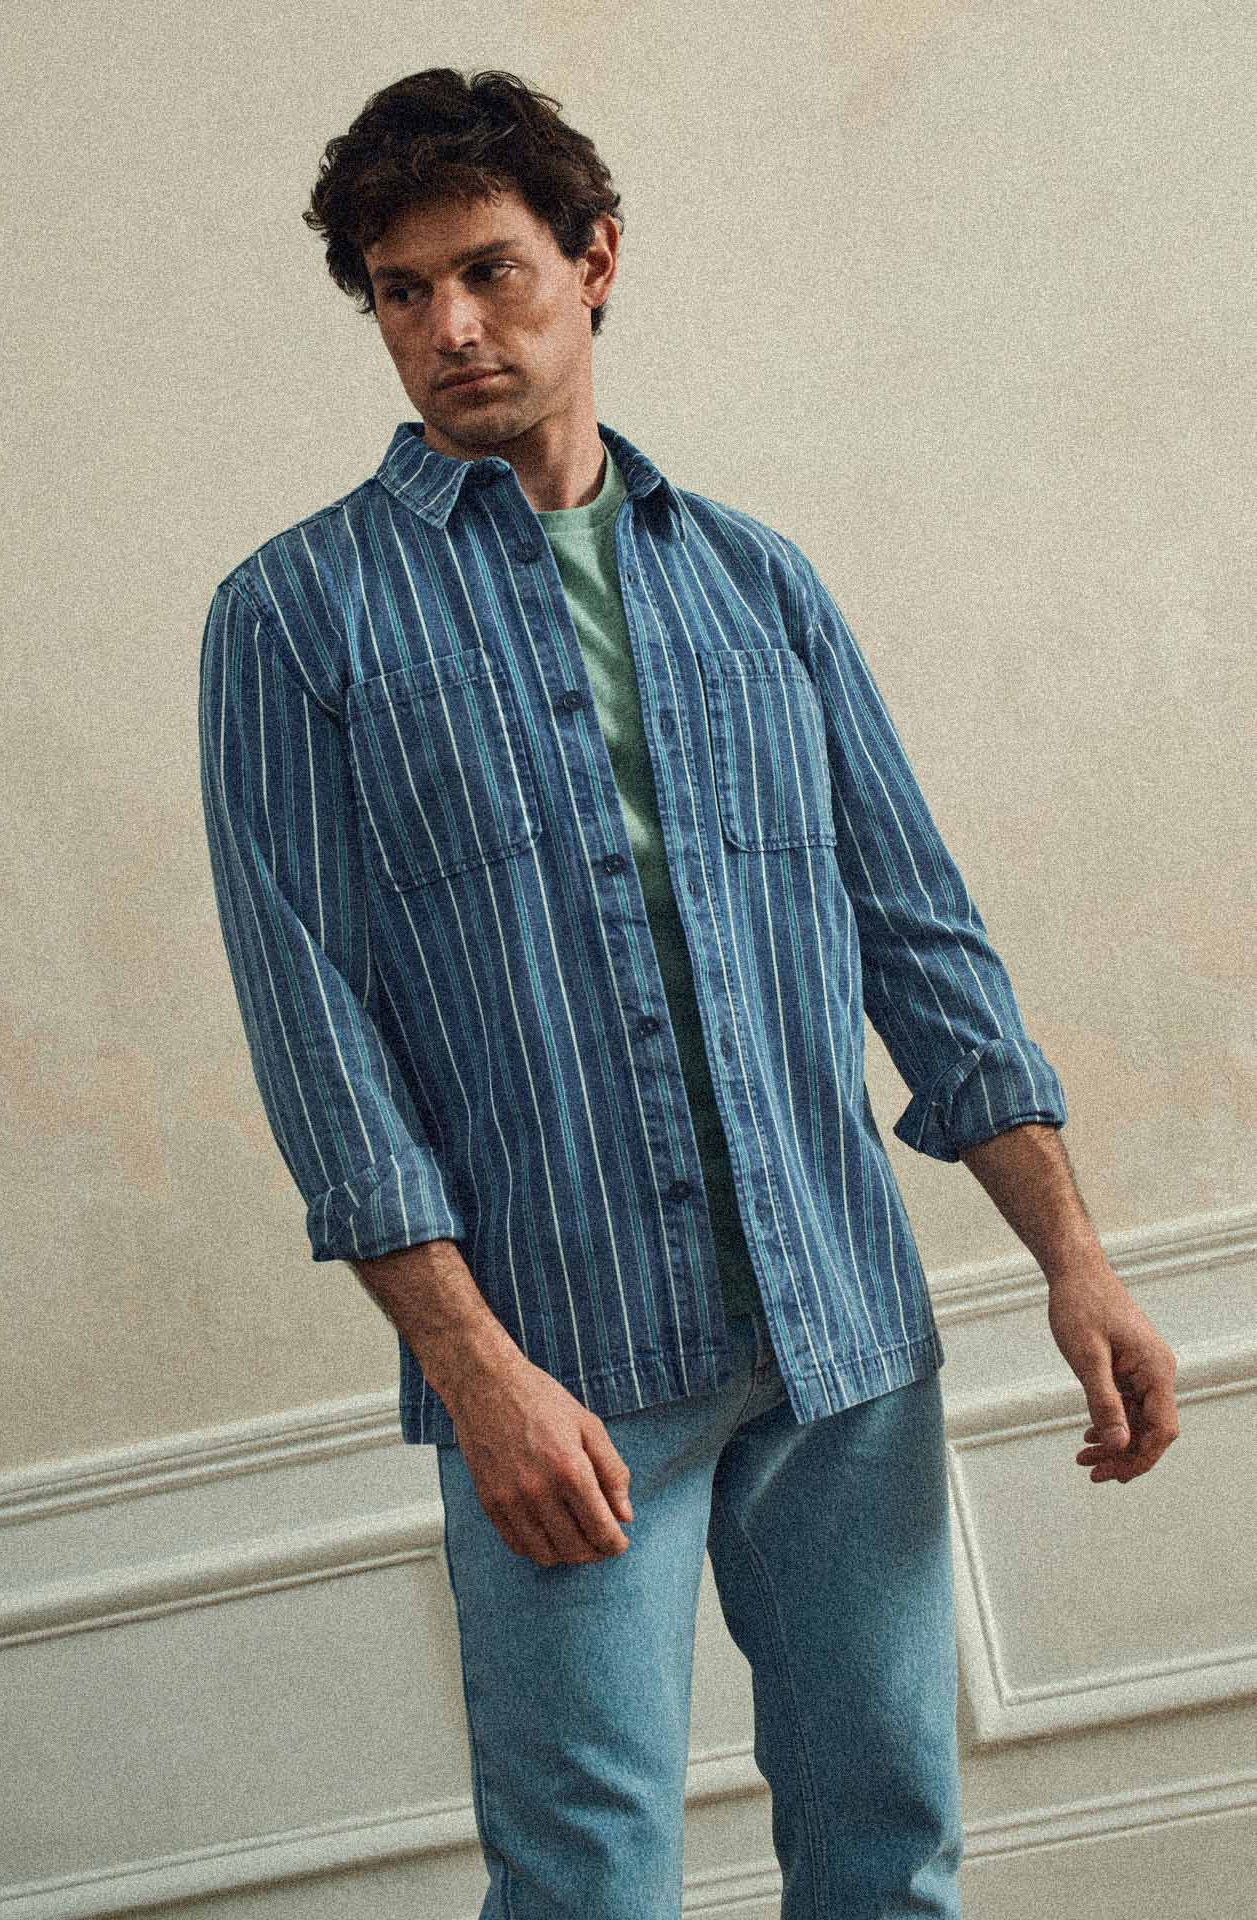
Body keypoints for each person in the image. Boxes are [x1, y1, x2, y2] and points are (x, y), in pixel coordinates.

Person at [198, 66, 1179, 1920]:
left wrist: (1076, 1261)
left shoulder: (756, 584)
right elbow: (315, 1036)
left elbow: (922, 938)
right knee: (586, 1888)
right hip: (556, 1363)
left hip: (842, 1336)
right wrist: (475, 1374)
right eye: (401, 292)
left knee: (888, 1855)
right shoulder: (295, 618)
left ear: (594, 260)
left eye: (486, 271)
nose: (447, 327)